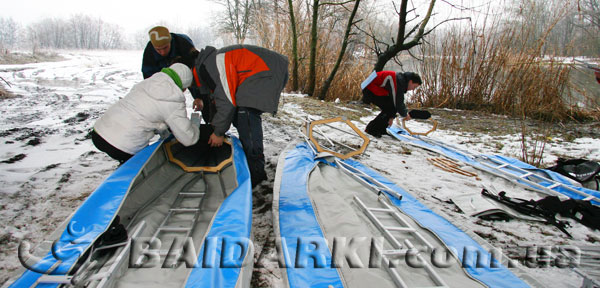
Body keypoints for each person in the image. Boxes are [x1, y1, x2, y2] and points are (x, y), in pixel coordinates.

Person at [192, 45, 289, 187]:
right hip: (263, 72)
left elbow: (227, 101)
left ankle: (257, 177)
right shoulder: (207, 64)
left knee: (246, 116)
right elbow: (218, 99)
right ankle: (252, 163)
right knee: (242, 117)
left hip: (266, 72)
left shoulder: (210, 65)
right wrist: (215, 125)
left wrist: (218, 132)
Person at [92, 63, 200, 163]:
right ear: (183, 87)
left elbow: (146, 112)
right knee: (135, 161)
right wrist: (195, 124)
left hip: (99, 132)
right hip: (122, 146)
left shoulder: (147, 83)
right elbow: (188, 139)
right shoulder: (173, 99)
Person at [142, 26, 212, 122]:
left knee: (206, 101)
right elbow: (150, 80)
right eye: (158, 49)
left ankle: (212, 126)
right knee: (165, 102)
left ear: (170, 41)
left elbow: (197, 74)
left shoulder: (184, 46)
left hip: (187, 69)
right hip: (164, 74)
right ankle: (170, 130)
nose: (162, 52)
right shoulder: (149, 52)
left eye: (165, 47)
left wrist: (199, 97)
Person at [361, 71, 421, 138]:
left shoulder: (400, 80)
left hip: (374, 87)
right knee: (389, 108)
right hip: (369, 88)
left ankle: (381, 129)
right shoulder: (399, 81)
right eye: (414, 87)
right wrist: (405, 114)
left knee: (391, 107)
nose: (413, 89)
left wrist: (392, 117)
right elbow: (398, 103)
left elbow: (395, 101)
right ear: (410, 81)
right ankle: (371, 129)